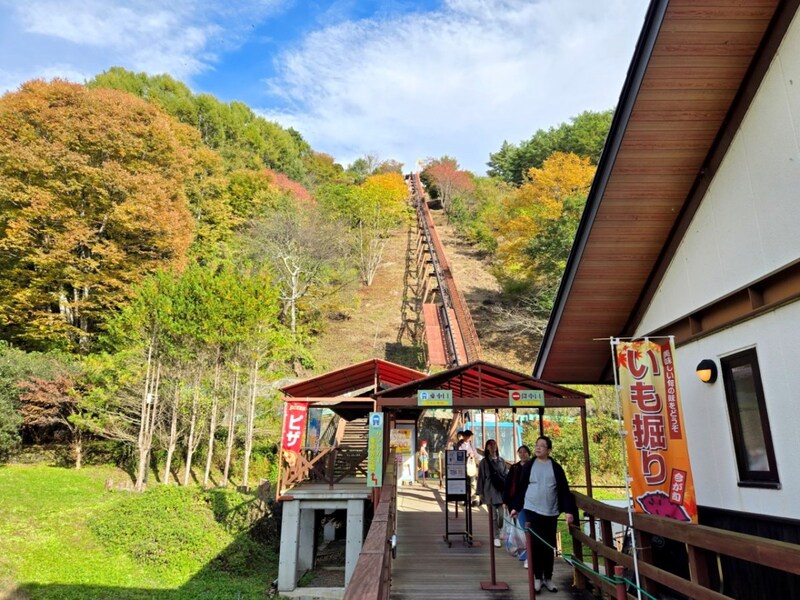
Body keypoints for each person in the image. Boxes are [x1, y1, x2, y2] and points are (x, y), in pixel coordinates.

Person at [508, 436, 576, 593]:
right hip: (532, 510)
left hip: (550, 512)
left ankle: (548, 578)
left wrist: (568, 511)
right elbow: (521, 488)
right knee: (536, 545)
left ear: (549, 450)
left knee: (548, 545)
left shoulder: (556, 468)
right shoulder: (529, 466)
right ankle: (537, 578)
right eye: (537, 445)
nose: (538, 448)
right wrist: (515, 507)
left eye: (542, 446)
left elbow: (564, 491)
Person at [477, 439, 508, 547]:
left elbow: (506, 475)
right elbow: (481, 478)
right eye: (490, 445)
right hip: (489, 490)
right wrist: (480, 493)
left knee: (501, 516)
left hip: (500, 490)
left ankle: (499, 531)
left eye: (494, 444)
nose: (492, 446)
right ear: (487, 447)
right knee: (493, 516)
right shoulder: (484, 462)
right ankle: (496, 537)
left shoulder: (501, 461)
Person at [456, 430, 479, 505]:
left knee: (473, 482)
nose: (468, 437)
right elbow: (458, 453)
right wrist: (467, 455)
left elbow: (476, 454)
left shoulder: (471, 444)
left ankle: (473, 499)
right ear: (464, 436)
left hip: (471, 466)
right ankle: (466, 499)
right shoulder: (459, 444)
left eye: (469, 436)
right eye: (467, 436)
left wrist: (473, 455)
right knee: (465, 483)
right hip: (463, 466)